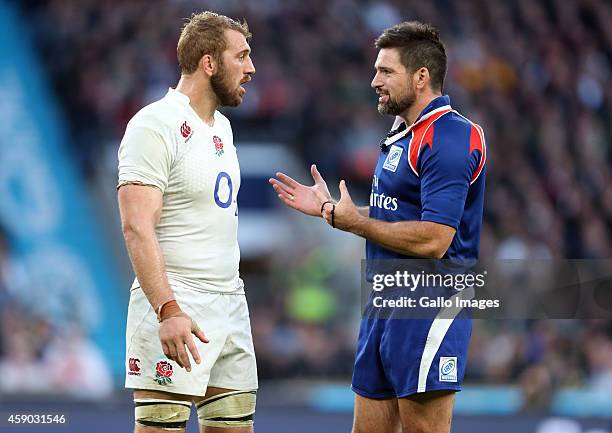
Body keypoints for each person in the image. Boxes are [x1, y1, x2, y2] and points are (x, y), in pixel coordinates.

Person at [269, 21, 486, 433]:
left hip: (428, 306)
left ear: (421, 76)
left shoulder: (451, 137)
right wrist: (332, 210)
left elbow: (436, 239)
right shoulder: (401, 133)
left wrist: (353, 225)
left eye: (385, 71)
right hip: (384, 305)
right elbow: (394, 213)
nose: (374, 81)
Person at [117, 11, 257, 433]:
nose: (250, 68)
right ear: (209, 63)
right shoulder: (153, 124)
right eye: (242, 56)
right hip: (177, 303)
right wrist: (167, 309)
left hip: (230, 303)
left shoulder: (223, 129)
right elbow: (136, 226)